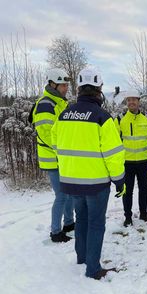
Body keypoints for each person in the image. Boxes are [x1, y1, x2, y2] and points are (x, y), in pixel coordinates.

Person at [51, 67, 126, 280]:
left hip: (71, 182)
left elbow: (55, 144)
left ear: (79, 89)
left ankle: (82, 257)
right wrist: (120, 180)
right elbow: (113, 154)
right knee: (96, 224)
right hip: (96, 184)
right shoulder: (103, 117)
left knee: (81, 219)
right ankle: (93, 269)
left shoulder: (65, 114)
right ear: (99, 89)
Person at [31, 68, 75, 243]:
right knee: (62, 195)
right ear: (52, 84)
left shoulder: (59, 103)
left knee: (69, 192)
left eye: (66, 84)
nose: (66, 88)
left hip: (62, 157)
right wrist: (63, 149)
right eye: (63, 84)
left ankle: (69, 223)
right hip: (53, 158)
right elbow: (46, 134)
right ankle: (56, 232)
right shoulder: (46, 104)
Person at [114, 90, 147, 227]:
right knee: (127, 191)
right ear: (126, 102)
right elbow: (114, 142)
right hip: (126, 163)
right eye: (129, 100)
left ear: (139, 101)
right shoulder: (120, 119)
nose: (131, 102)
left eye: (134, 99)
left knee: (143, 189)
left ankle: (144, 214)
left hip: (143, 162)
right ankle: (128, 217)